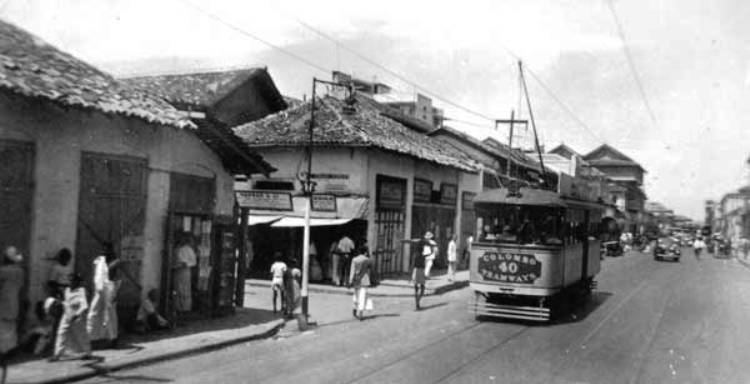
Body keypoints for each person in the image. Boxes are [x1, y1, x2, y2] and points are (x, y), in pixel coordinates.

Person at [52, 273, 91, 361]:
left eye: (73, 281)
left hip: (77, 315)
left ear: (77, 282)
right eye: (70, 280)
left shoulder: (81, 291)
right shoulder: (66, 290)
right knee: (61, 333)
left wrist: (77, 315)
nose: (71, 282)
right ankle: (57, 354)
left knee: (82, 335)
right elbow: (65, 302)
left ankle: (88, 353)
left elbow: (84, 305)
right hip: (66, 314)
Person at [86, 246, 120, 348]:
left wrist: (115, 292)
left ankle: (113, 338)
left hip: (109, 287)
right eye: (103, 250)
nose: (104, 252)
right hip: (98, 288)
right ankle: (91, 338)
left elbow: (113, 275)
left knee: (110, 314)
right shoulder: (98, 261)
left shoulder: (115, 261)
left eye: (107, 250)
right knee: (93, 312)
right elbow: (95, 275)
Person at [0, 246, 24, 383]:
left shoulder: (2, 271)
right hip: (13, 312)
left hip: (1, 312)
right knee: (5, 351)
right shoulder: (20, 272)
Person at [349, 245, 376, 320]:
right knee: (362, 296)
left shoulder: (355, 259)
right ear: (365, 252)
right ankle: (360, 312)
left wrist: (350, 280)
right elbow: (372, 271)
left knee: (356, 295)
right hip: (365, 280)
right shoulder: (368, 260)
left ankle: (354, 307)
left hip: (356, 280)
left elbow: (352, 271)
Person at [173, 235, 197, 314]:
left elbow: (193, 262)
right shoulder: (176, 249)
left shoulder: (188, 249)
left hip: (185, 271)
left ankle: (185, 309)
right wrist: (176, 265)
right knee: (177, 289)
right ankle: (178, 308)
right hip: (178, 271)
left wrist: (187, 264)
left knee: (185, 289)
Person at [412, 236, 429, 310]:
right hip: (421, 271)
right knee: (422, 288)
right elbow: (430, 253)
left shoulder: (415, 255)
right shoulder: (423, 256)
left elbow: (413, 264)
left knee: (416, 289)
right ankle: (418, 302)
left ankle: (417, 303)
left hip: (416, 270)